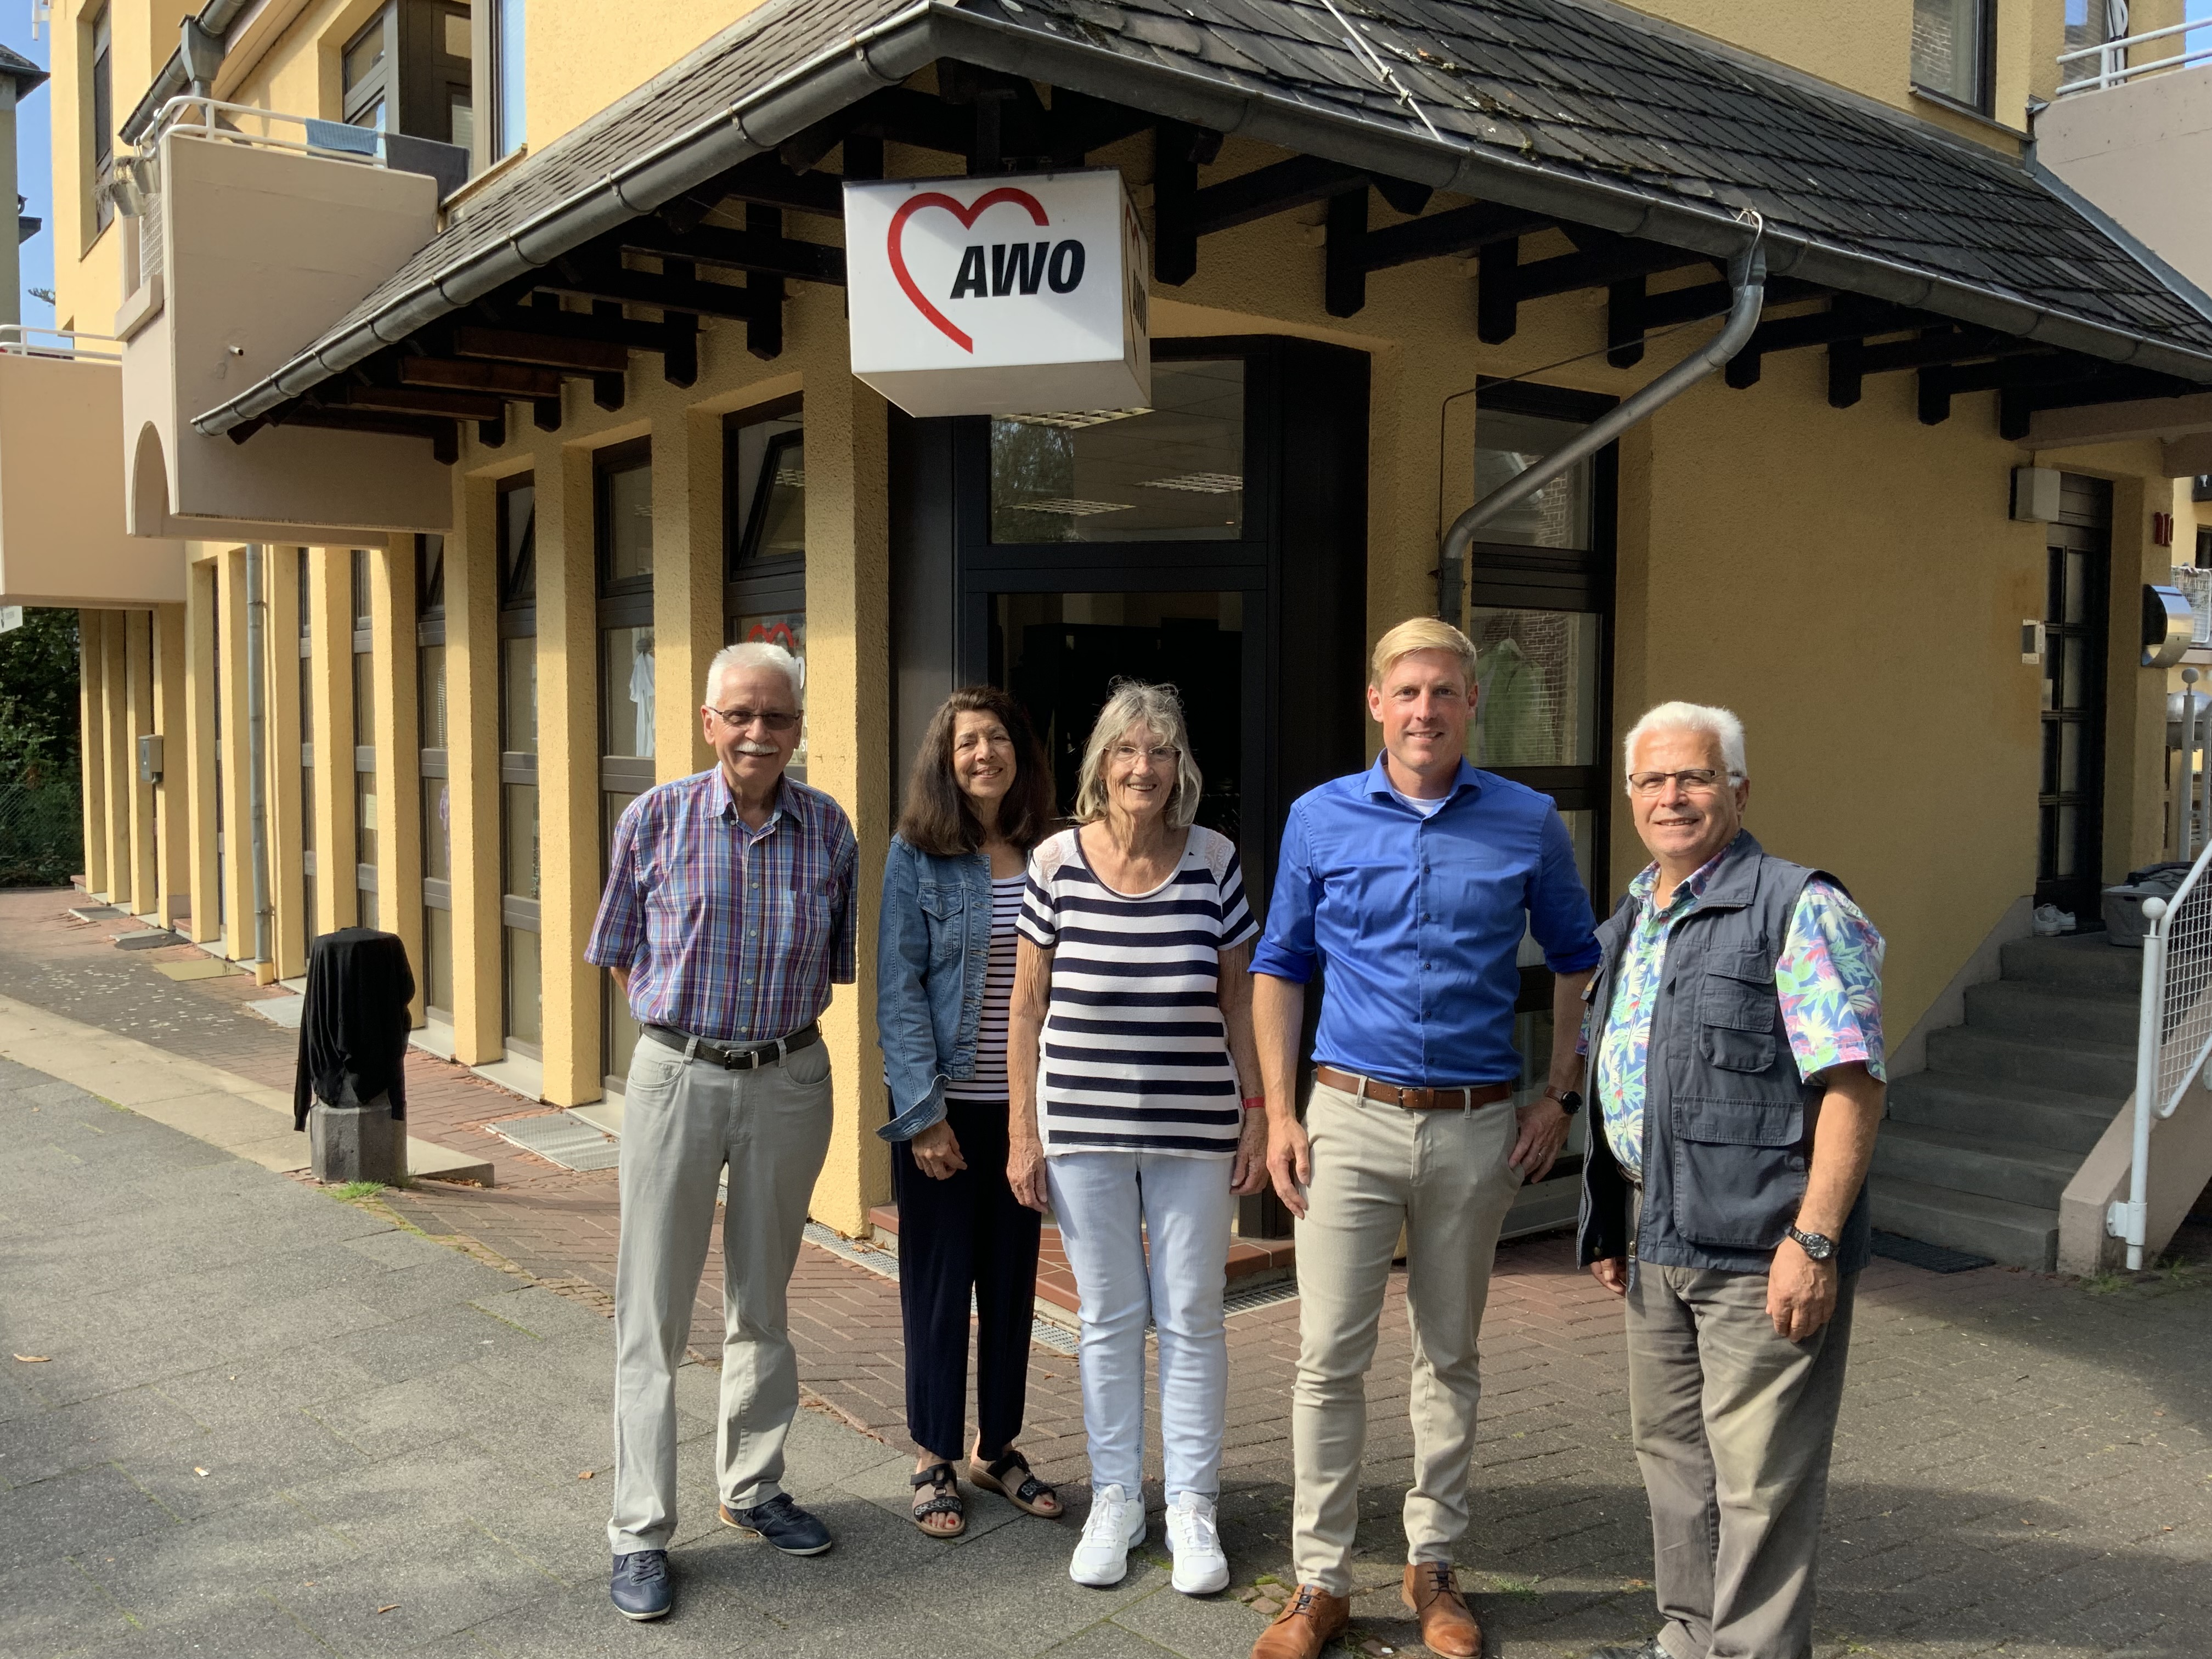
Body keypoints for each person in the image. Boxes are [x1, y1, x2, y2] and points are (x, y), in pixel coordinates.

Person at [1249, 618, 1601, 1659]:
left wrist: (1558, 1094)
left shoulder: (1529, 822)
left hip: (1479, 1126)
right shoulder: (1319, 819)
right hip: (1347, 1121)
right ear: (1377, 704)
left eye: (1445, 693)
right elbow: (1280, 965)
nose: (1426, 711)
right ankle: (1320, 1581)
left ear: (1470, 705)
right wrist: (1278, 1112)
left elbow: (1580, 959)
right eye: (1407, 693)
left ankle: (1433, 1563)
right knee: (1326, 1357)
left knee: (1449, 1355)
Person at [1579, 702, 1884, 1659]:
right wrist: (1607, 1222)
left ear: (1739, 790)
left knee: (1759, 1486)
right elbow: (1625, 1077)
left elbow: (1854, 1086)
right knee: (1675, 1468)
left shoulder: (1797, 907)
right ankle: (1689, 1639)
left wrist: (1816, 1239)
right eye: (1653, 781)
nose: (1673, 797)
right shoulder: (1631, 916)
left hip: (1763, 1251)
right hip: (1656, 1237)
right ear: (1631, 798)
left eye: (1696, 777)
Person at [584, 640, 857, 1622]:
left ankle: (751, 1488)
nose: (757, 732)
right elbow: (619, 952)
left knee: (764, 1299)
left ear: (796, 729)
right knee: (651, 1312)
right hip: (679, 1076)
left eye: (776, 717)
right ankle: (639, 1530)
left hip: (788, 1077)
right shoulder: (652, 818)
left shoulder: (828, 829)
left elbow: (833, 965)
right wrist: (683, 1040)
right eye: (739, 715)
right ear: (707, 723)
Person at [1007, 680, 1268, 1596]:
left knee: (1193, 1319)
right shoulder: (1054, 863)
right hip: (1081, 1127)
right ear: (1101, 764)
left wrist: (1258, 1113)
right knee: (1111, 1320)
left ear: (1179, 767)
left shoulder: (1215, 861)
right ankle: (1117, 1496)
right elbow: (1028, 1007)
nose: (1142, 768)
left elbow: (1239, 999)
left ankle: (1192, 1503)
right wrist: (1021, 1130)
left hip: (1196, 1127)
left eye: (1159, 752)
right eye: (1127, 751)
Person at [876, 687, 1065, 1538]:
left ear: (1019, 752)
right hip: (947, 1109)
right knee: (941, 1285)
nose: (984, 753)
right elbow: (898, 990)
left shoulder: (1056, 851)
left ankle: (997, 1448)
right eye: (966, 744)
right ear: (944, 763)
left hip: (1029, 1111)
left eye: (997, 738)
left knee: (1014, 1284)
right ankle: (931, 1454)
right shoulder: (918, 855)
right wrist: (922, 1116)